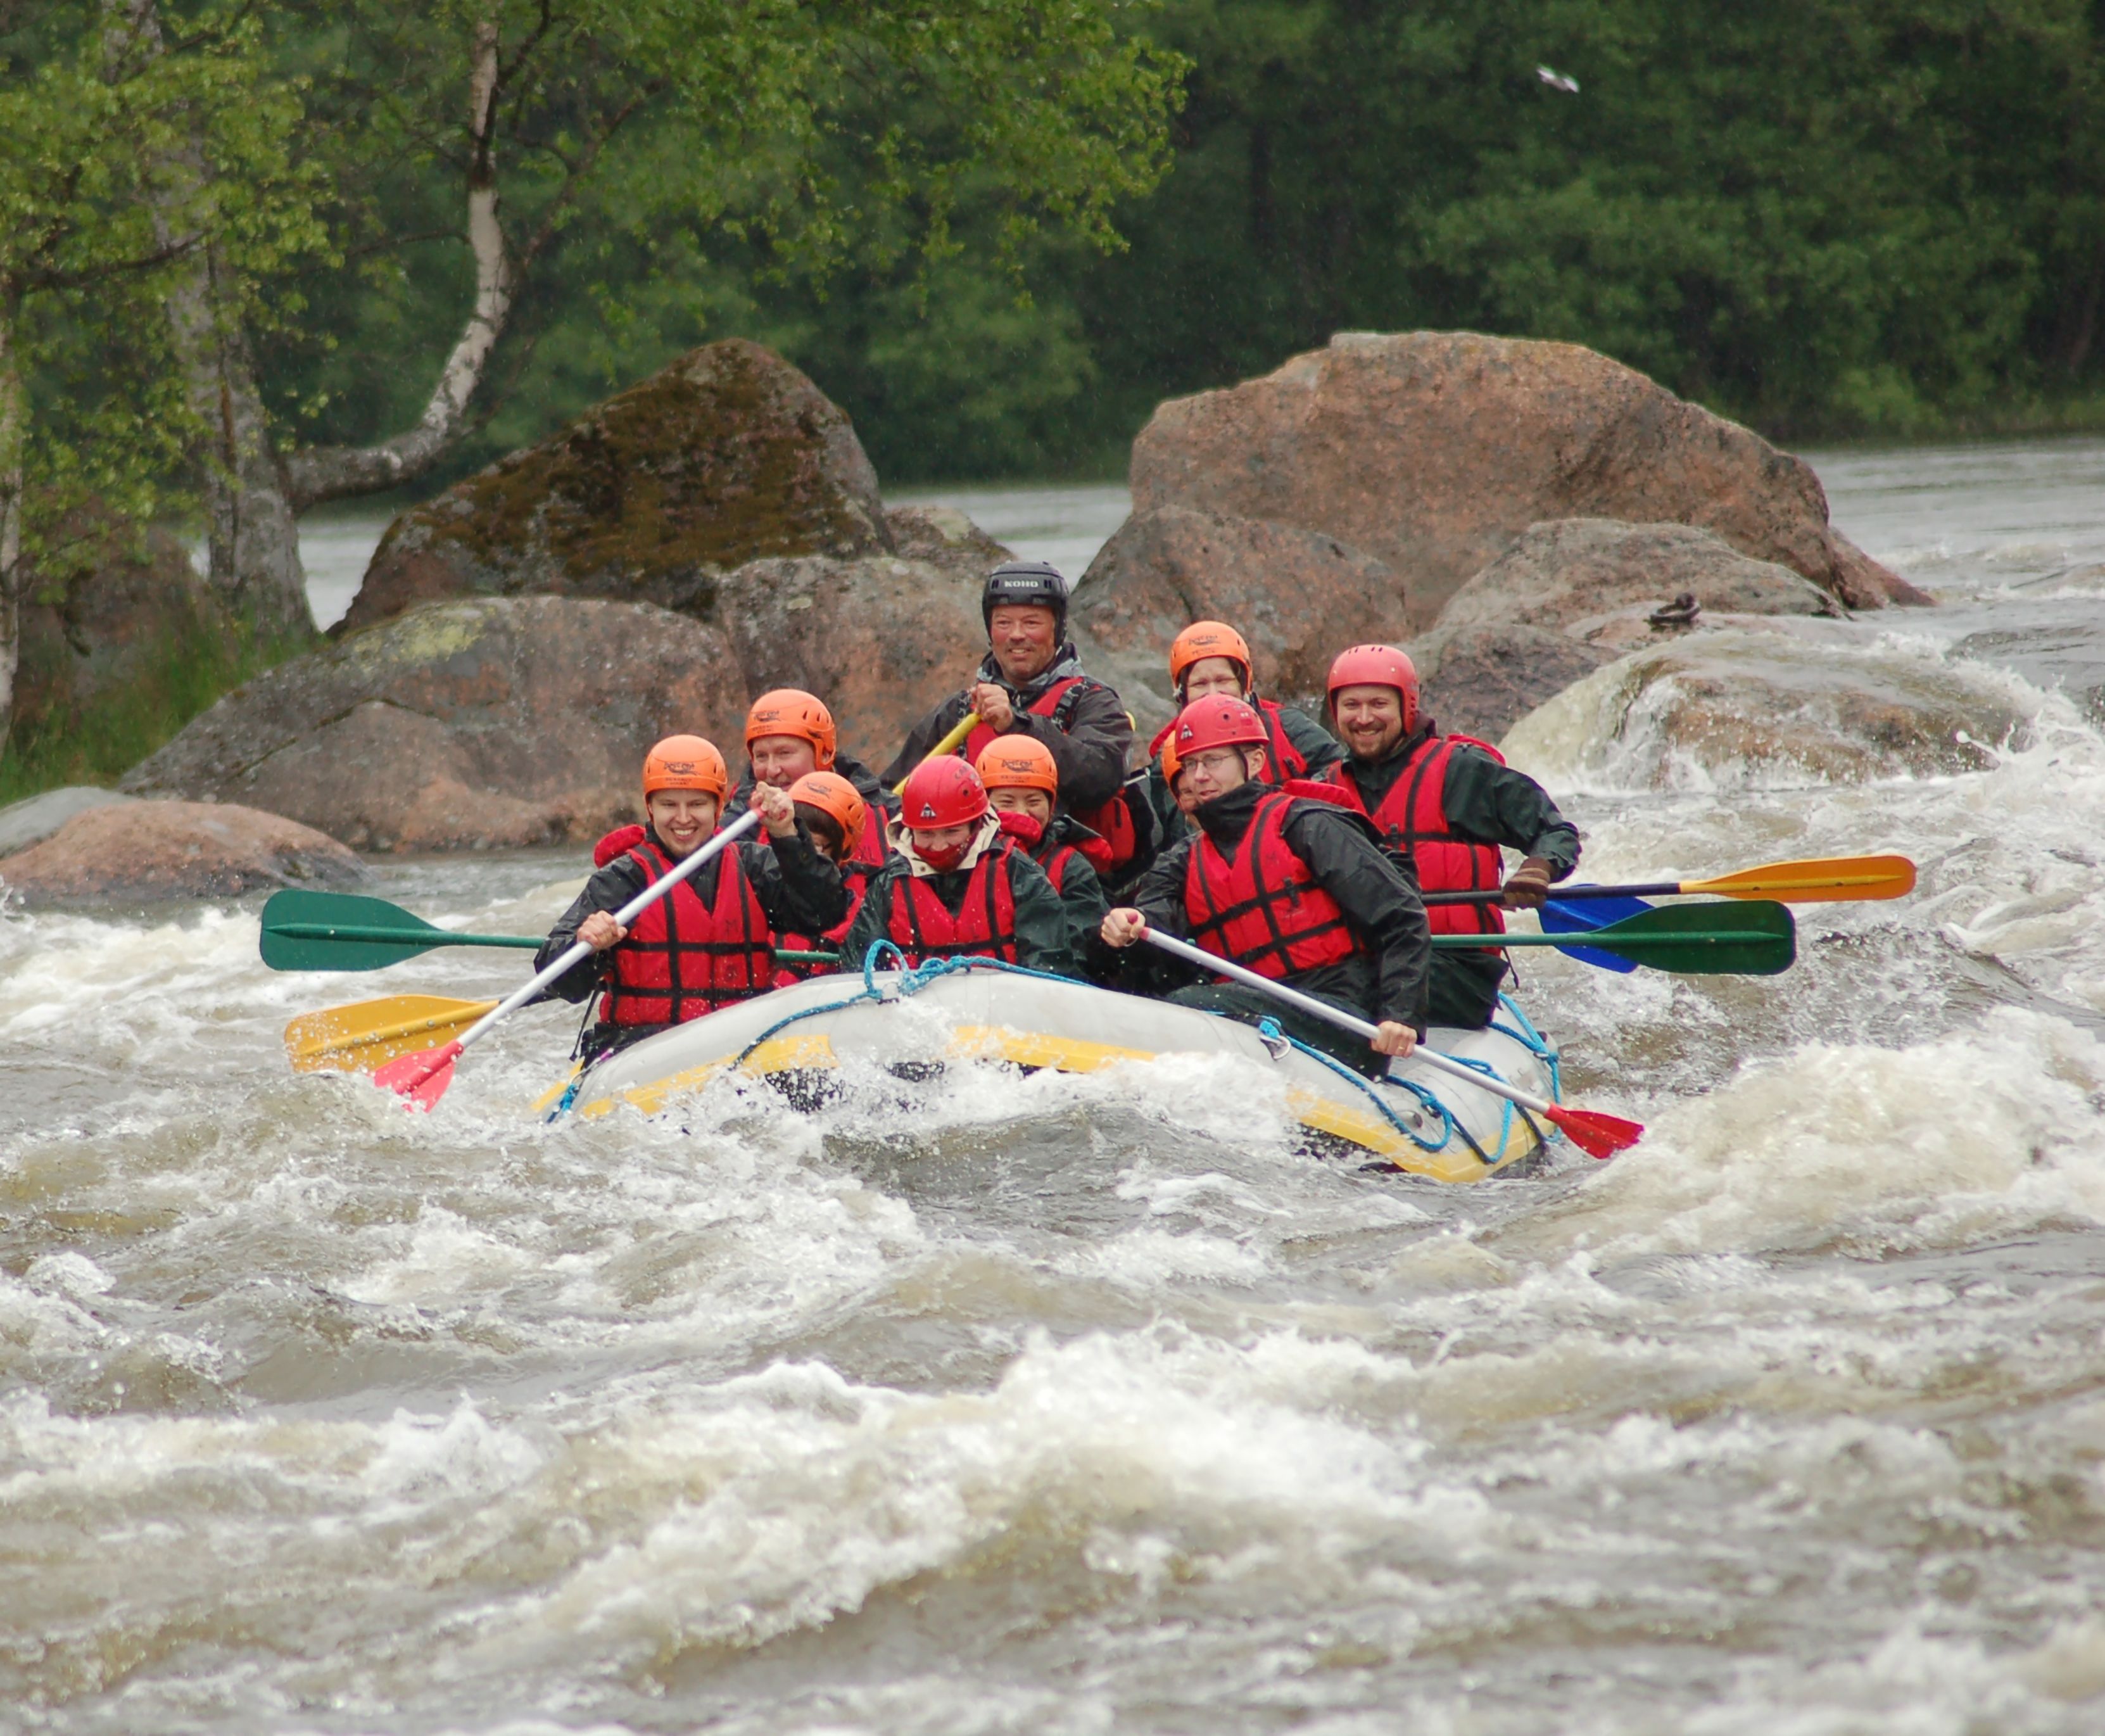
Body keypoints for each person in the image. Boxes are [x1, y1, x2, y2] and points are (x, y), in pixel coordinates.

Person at [1099, 695, 1429, 1077]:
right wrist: (1129, 923)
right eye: (1190, 765)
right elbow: (1157, 917)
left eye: (1213, 761)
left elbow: (1400, 915)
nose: (1199, 777)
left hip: (1340, 1015)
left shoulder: (1307, 825)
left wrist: (1400, 1014)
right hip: (1248, 1016)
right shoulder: (1183, 859)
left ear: (1254, 762)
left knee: (1187, 1003)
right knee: (1169, 1001)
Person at [1313, 643, 1580, 1029]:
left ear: (1407, 706)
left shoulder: (1460, 771)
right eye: (1351, 706)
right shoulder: (1325, 789)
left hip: (1456, 966)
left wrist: (1538, 869)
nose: (1364, 718)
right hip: (1363, 962)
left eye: (1378, 704)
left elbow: (1555, 831)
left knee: (1338, 988)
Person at [536, 735, 849, 1058]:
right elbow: (560, 981)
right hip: (641, 1048)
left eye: (697, 804)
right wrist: (586, 947)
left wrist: (787, 835)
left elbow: (824, 912)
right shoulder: (623, 880)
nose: (683, 819)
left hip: (743, 1042)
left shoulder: (754, 867)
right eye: (669, 805)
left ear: (719, 806)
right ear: (650, 808)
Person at [880, 560, 1144, 880]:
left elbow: (1100, 777)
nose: (1017, 635)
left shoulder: (1094, 701)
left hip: (1070, 882)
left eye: (1032, 623)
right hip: (968, 880)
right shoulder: (960, 711)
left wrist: (1017, 725)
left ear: (1058, 629)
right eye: (1004, 623)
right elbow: (892, 793)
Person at [841, 756, 1075, 976]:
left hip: (1004, 1013)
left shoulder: (1019, 874)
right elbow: (859, 970)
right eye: (926, 834)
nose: (939, 845)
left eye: (952, 832)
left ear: (975, 825)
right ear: (909, 830)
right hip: (917, 1014)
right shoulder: (889, 885)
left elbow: (1048, 965)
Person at [974, 733, 1110, 965]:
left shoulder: (1071, 867)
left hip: (1042, 985)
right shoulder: (964, 859)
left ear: (1052, 804)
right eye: (1007, 802)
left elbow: (1082, 947)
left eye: (1034, 801)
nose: (1022, 813)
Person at [735, 688, 894, 866]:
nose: (772, 770)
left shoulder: (891, 815)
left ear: (825, 754)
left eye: (784, 753)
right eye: (761, 756)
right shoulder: (739, 824)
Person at [770, 770, 876, 985]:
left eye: (814, 846)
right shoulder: (762, 891)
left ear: (843, 851)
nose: (802, 854)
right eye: (796, 838)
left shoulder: (861, 916)